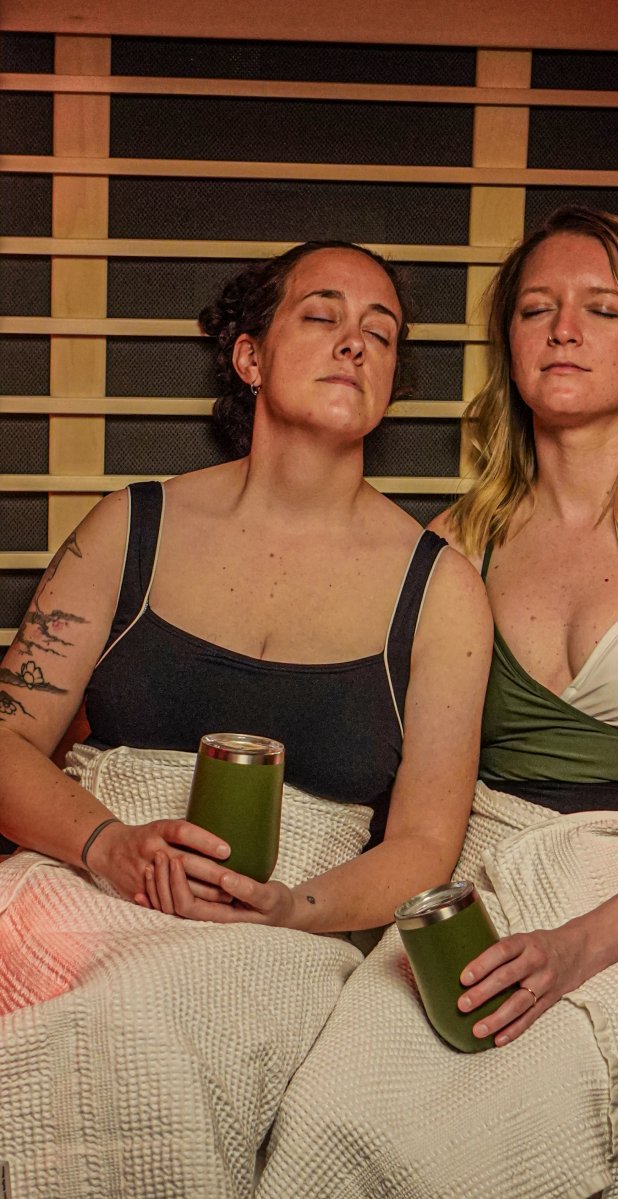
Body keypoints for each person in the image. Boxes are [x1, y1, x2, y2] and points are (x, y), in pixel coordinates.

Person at [255, 208, 618, 1199]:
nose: (561, 329)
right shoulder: (455, 547)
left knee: (535, 1094)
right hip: (491, 879)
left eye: (599, 308)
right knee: (338, 1105)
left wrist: (572, 949)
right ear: (506, 345)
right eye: (536, 309)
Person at [0, 241, 492, 1198]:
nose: (356, 343)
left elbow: (429, 839)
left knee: (157, 1020)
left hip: (288, 930)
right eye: (322, 316)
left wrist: (291, 907)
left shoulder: (439, 587)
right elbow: (7, 738)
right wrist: (110, 847)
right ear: (250, 356)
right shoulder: (129, 527)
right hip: (89, 876)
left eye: (381, 334)